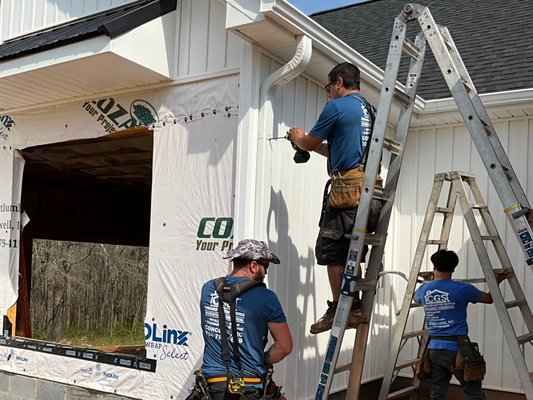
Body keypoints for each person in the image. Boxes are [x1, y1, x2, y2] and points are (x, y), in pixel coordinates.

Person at [286, 62, 376, 334]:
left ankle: (340, 308)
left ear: (339, 82)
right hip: (367, 188)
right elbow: (343, 151)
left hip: (346, 191)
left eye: (328, 87)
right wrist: (319, 149)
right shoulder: (370, 111)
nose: (328, 93)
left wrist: (298, 137)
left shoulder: (336, 107)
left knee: (331, 249)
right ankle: (356, 307)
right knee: (353, 249)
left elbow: (309, 144)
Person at [199, 239, 293, 399]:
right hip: (248, 386)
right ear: (254, 266)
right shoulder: (266, 298)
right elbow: (285, 347)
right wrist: (258, 358)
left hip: (211, 385)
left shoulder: (208, 288)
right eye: (266, 266)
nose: (266, 272)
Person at [414, 249, 508, 400]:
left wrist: (428, 281)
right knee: (474, 392)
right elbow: (489, 299)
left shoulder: (424, 289)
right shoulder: (462, 289)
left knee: (437, 392)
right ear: (453, 268)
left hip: (434, 349)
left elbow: (415, 299)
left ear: (434, 267)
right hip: (458, 349)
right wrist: (498, 280)